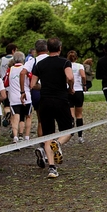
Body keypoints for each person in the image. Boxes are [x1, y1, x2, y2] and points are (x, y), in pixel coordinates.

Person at [30, 37, 74, 178]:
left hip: (45, 101)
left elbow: (32, 85)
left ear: (48, 49)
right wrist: (70, 88)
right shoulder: (65, 62)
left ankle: (52, 168)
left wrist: (43, 87)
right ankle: (58, 142)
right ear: (60, 48)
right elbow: (70, 77)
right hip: (60, 100)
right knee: (69, 130)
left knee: (48, 134)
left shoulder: (40, 64)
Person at [20, 40, 49, 167]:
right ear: (47, 49)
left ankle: (42, 146)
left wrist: (23, 90)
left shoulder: (32, 61)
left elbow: (22, 72)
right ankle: (49, 147)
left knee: (41, 120)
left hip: (37, 92)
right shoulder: (54, 59)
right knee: (51, 120)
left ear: (36, 51)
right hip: (50, 92)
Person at [8, 51, 32, 145]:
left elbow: (6, 83)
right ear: (23, 59)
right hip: (26, 96)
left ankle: (15, 137)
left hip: (13, 97)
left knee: (16, 117)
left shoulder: (10, 70)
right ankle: (26, 137)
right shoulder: (26, 69)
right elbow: (31, 81)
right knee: (28, 117)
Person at [0, 43, 18, 127]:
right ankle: (12, 123)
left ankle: (7, 113)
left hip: (3, 85)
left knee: (6, 104)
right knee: (14, 104)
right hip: (14, 85)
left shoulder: (2, 59)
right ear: (13, 50)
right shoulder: (15, 59)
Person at [67, 50, 86, 144]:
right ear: (77, 58)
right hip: (78, 90)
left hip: (69, 90)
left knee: (71, 114)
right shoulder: (79, 66)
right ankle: (80, 136)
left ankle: (70, 131)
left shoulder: (66, 65)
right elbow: (83, 76)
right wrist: (84, 84)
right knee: (79, 114)